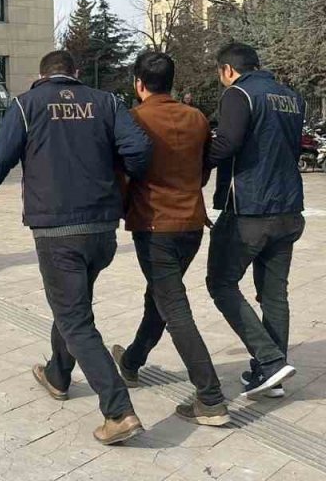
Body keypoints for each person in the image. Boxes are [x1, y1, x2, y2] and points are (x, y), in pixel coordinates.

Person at [0, 50, 152, 445]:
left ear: (41, 75)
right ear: (76, 73)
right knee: (73, 307)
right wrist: (118, 183)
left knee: (76, 319)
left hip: (57, 229)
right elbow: (139, 149)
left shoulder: (27, 105)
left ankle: (118, 411)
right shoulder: (106, 102)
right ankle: (58, 374)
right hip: (101, 228)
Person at [109, 51, 229, 426]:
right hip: (191, 225)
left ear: (138, 83)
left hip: (155, 225)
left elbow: (124, 171)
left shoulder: (134, 119)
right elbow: (204, 167)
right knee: (159, 297)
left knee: (173, 306)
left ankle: (210, 397)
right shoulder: (195, 118)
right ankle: (131, 361)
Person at [205, 42, 306, 398]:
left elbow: (227, 143)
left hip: (249, 208)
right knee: (274, 293)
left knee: (220, 283)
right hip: (290, 208)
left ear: (228, 70)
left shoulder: (239, 95)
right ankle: (270, 371)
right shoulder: (291, 97)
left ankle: (271, 361)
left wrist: (197, 164)